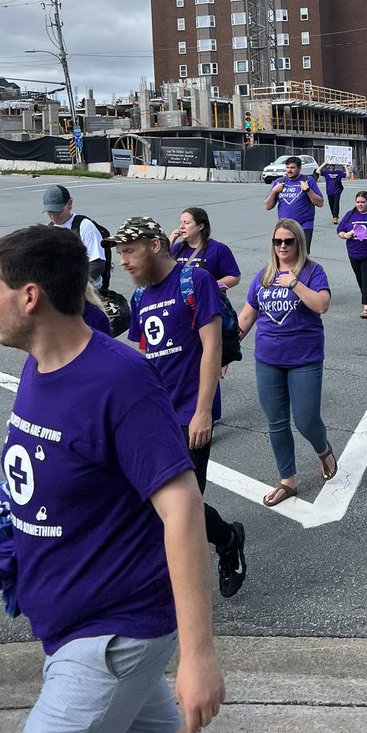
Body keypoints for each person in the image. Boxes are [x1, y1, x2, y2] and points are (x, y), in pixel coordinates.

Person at [0, 225, 224, 733]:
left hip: (113, 633)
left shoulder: (120, 381)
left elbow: (182, 507)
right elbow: (46, 473)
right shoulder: (38, 366)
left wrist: (198, 654)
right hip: (67, 623)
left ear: (30, 296)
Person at [112, 216, 247, 600]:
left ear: (155, 245)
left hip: (191, 413)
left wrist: (203, 410)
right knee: (161, 503)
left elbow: (211, 347)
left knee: (182, 506)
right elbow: (144, 356)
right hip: (157, 416)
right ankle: (225, 536)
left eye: (129, 251)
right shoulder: (140, 297)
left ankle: (226, 544)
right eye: (120, 253)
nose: (123, 261)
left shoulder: (195, 281)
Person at [238, 219, 336, 506]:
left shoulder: (312, 271)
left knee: (306, 419)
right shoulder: (263, 276)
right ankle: (287, 481)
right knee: (276, 422)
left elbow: (322, 305)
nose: (282, 246)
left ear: (298, 243)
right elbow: (246, 317)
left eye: (288, 241)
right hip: (268, 360)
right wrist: (225, 352)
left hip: (304, 359)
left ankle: (323, 448)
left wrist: (294, 283)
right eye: (277, 242)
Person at [41, 184, 107, 290]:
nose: (53, 216)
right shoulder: (48, 230)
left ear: (69, 204)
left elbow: (97, 264)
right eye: (50, 212)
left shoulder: (84, 226)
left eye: (57, 211)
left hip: (86, 290)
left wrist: (76, 287)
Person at [169, 206, 241, 290]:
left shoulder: (218, 249)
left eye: (187, 223)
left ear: (200, 226)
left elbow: (234, 277)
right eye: (181, 223)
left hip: (205, 300)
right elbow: (158, 270)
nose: (181, 226)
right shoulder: (176, 248)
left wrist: (209, 287)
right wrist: (169, 243)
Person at [263, 156, 324, 253]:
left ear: (299, 168)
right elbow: (267, 206)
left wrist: (308, 190)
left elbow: (320, 203)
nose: (289, 170)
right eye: (287, 168)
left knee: (302, 256)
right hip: (284, 227)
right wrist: (274, 191)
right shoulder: (279, 182)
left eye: (292, 168)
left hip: (304, 226)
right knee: (285, 255)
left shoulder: (308, 180)